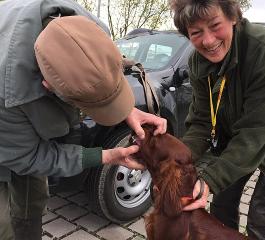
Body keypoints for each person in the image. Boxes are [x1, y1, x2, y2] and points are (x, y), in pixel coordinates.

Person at [0, 1, 166, 240]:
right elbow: (29, 157)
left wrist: (125, 108)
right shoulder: (7, 94)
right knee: (3, 225)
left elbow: (97, 70)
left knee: (33, 200)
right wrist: (105, 156)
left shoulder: (90, 27)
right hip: (6, 127)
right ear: (47, 87)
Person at [168, 0, 265, 239]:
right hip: (236, 135)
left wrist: (208, 180)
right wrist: (175, 163)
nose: (208, 41)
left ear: (233, 17)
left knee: (261, 216)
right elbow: (202, 122)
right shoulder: (198, 62)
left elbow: (256, 132)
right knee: (221, 206)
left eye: (215, 25)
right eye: (196, 33)